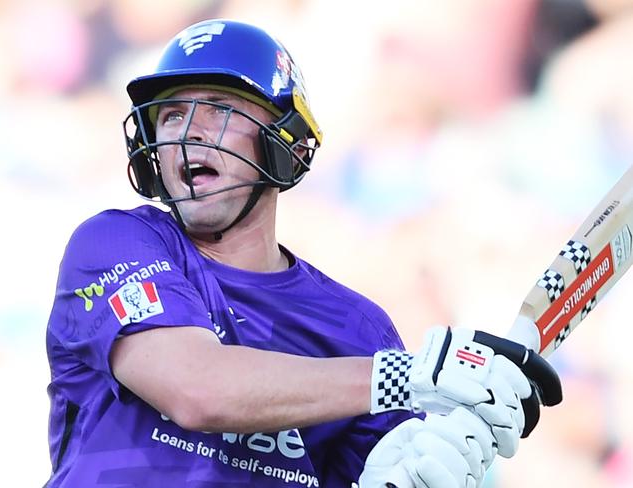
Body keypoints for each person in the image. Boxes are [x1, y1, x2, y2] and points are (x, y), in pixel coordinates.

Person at [44, 19, 562, 488]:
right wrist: (410, 377)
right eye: (173, 114)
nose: (189, 132)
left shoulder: (359, 329)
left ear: (286, 144)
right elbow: (197, 389)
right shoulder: (114, 243)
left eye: (220, 109)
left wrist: (435, 467)